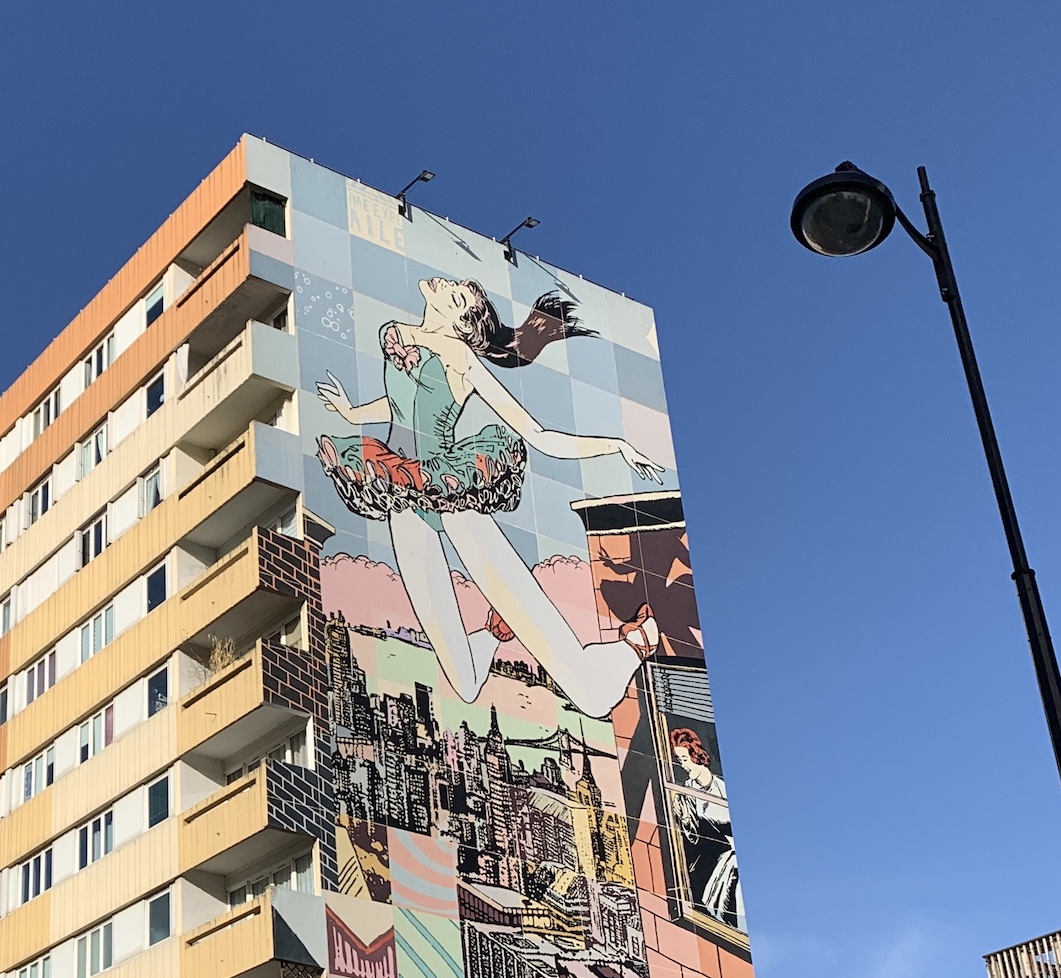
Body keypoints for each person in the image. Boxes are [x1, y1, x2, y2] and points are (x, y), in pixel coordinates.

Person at [317, 276, 666, 716]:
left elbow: (537, 434)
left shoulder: (461, 358)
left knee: (588, 694)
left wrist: (615, 445)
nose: (448, 283)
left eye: (458, 294)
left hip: (451, 490)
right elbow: (399, 401)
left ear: (460, 320)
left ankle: (634, 645)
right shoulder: (397, 334)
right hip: (401, 496)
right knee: (462, 683)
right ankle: (492, 634)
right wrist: (352, 413)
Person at [668, 727, 742, 930]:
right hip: (711, 857)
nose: (682, 765)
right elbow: (691, 833)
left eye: (684, 758)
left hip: (732, 856)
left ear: (695, 754)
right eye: (679, 760)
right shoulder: (686, 790)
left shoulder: (722, 788)